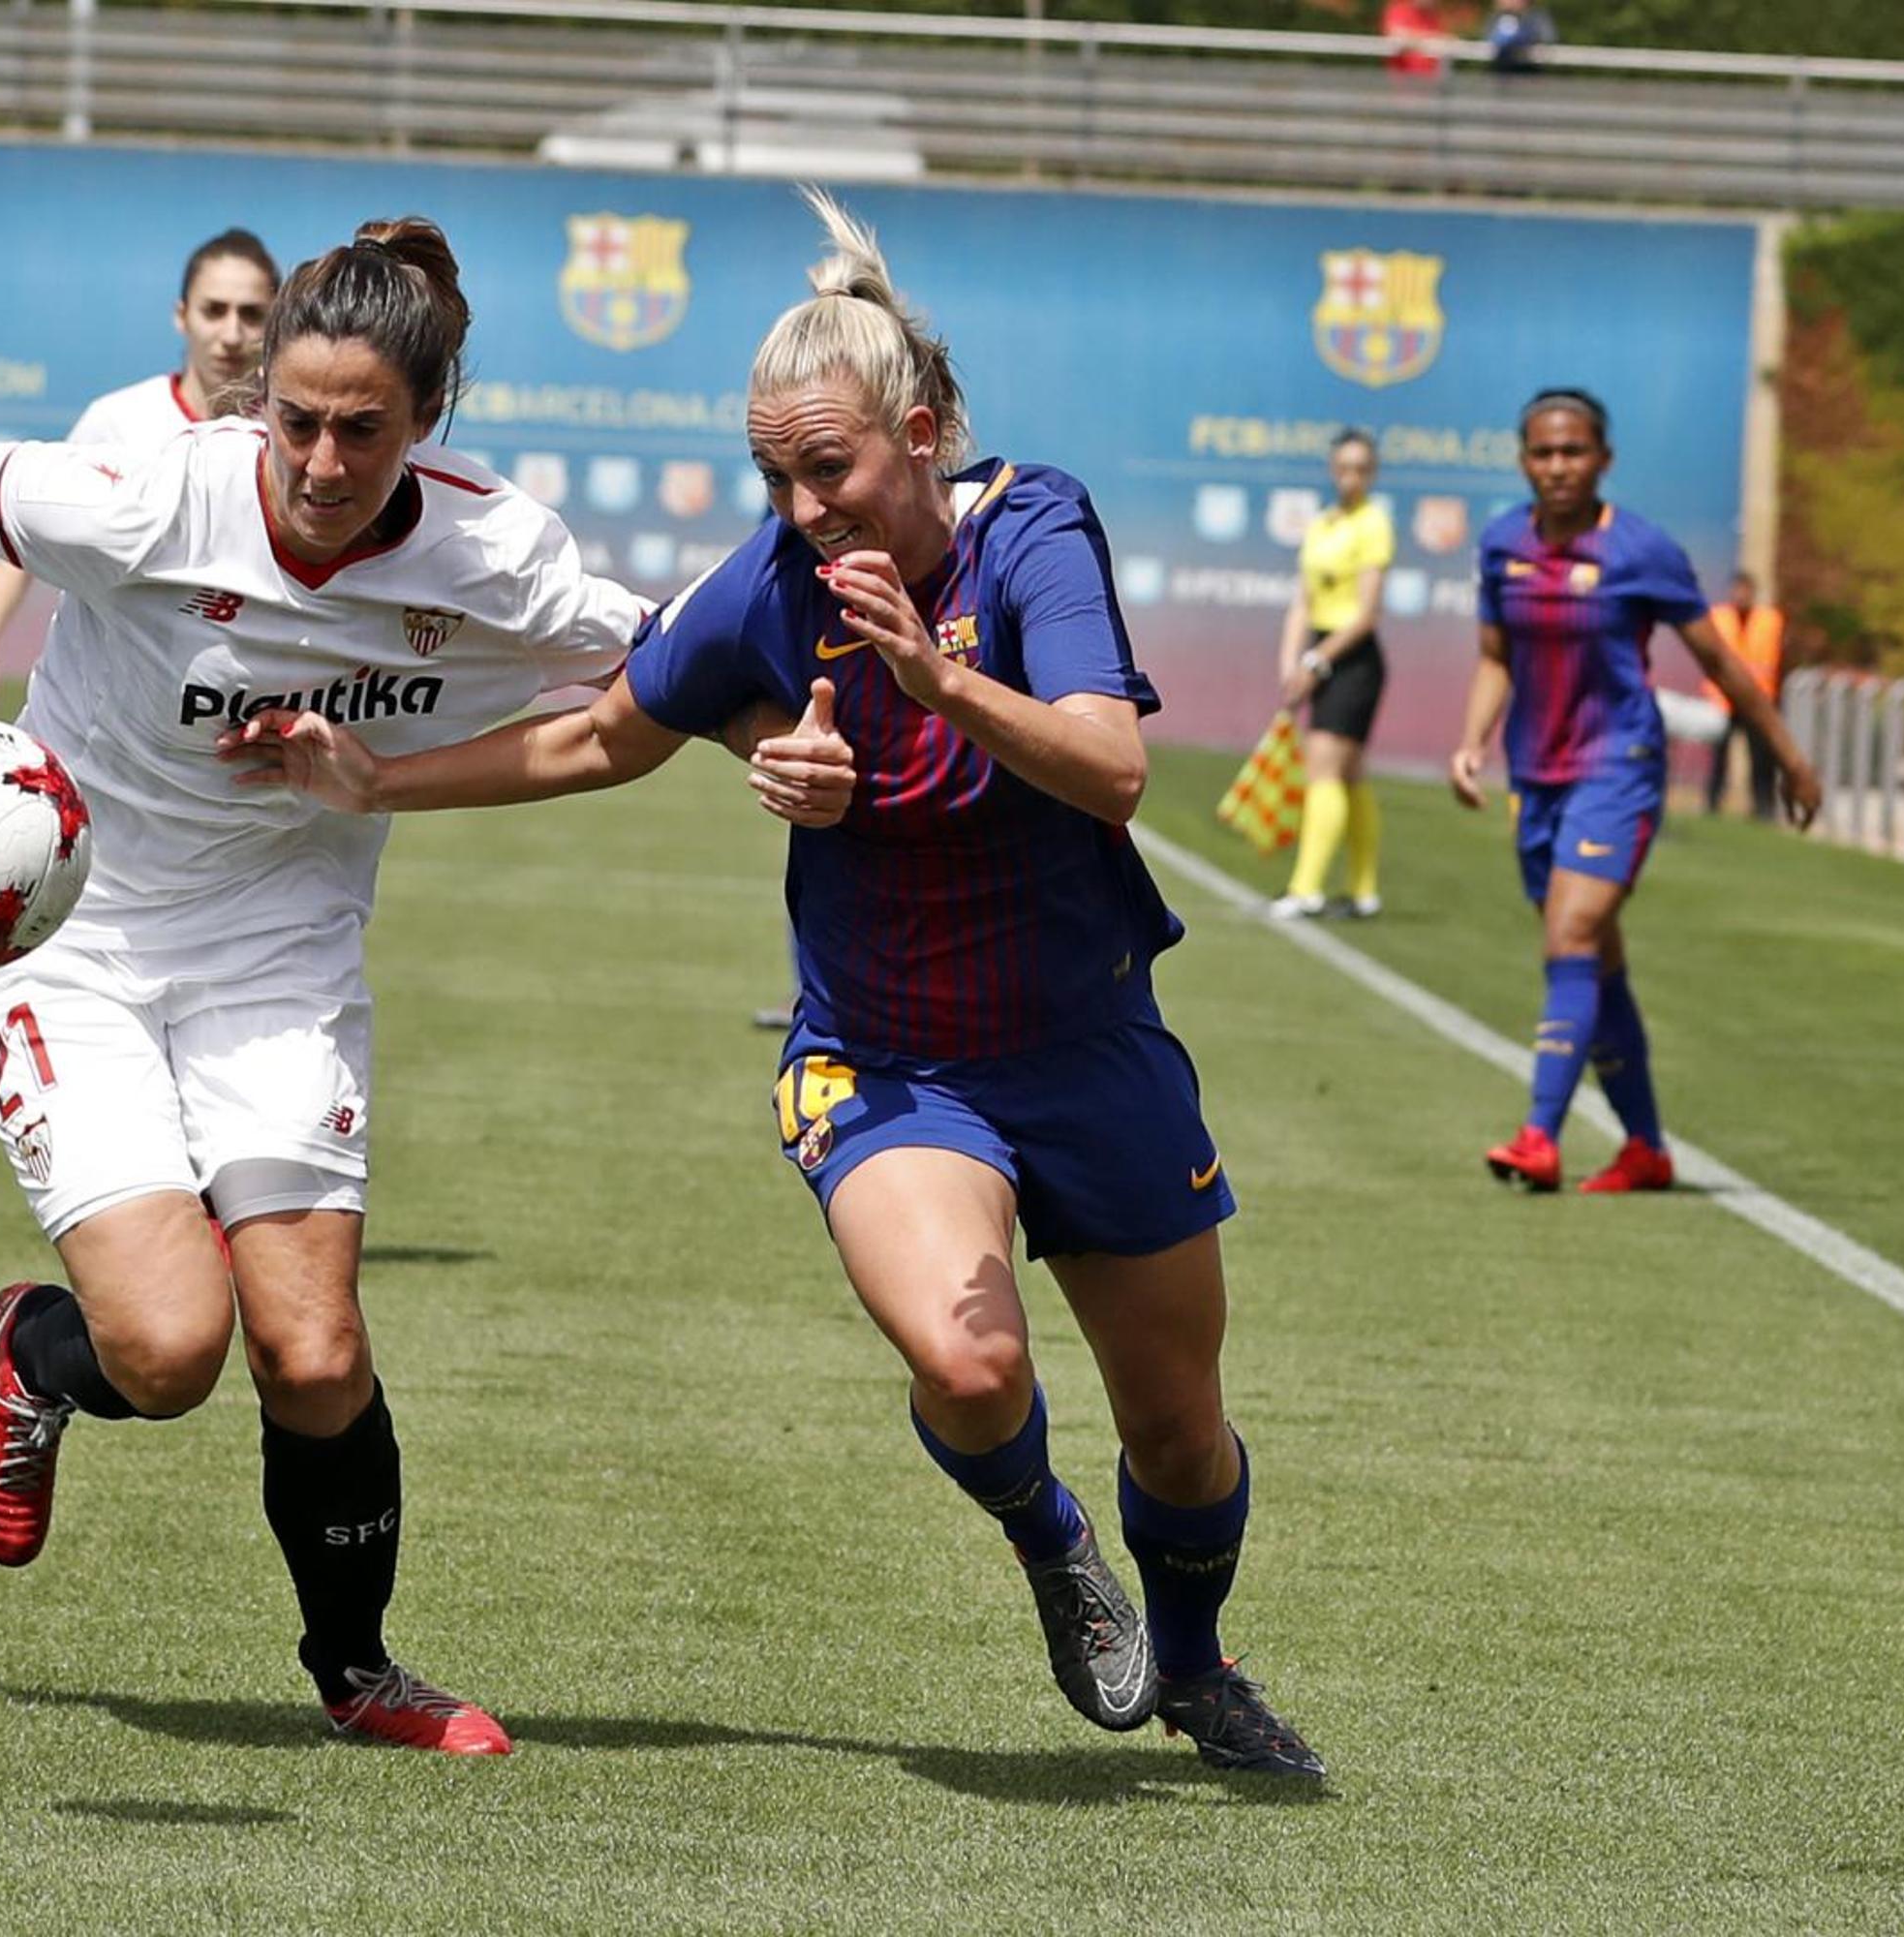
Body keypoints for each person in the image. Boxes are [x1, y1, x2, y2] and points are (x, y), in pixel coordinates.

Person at [0, 222, 810, 1757]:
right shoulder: (145, 496)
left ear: (429, 418)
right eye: (297, 420)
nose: (320, 460)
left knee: (313, 1349)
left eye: (362, 430)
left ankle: (360, 1672)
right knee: (170, 1352)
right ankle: (38, 1350)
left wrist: (765, 741)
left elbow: (665, 666)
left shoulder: (492, 549)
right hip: (76, 941)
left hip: (279, 952)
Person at [227, 189, 1327, 1780]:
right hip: (885, 1063)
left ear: (924, 433)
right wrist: (374, 782)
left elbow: (1113, 769)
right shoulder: (765, 588)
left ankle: (1201, 1665)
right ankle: (1047, 1539)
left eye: (834, 468)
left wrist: (937, 681)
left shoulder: (1036, 531)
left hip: (1091, 1047)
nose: (805, 506)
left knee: (1181, 1424)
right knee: (971, 1362)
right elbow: (605, 732)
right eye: (778, 475)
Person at [1449, 388, 1820, 1194]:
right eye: (1542, 453)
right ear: (1523, 461)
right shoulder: (1501, 541)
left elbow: (1723, 664)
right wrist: (1473, 742)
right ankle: (1645, 1147)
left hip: (1618, 766)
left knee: (1571, 937)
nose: (1557, 467)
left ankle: (1538, 1136)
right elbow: (1495, 658)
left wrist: (1789, 757)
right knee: (1597, 961)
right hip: (1535, 779)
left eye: (1573, 451)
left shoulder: (1642, 551)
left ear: (1603, 459)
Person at [0, 229, 278, 718]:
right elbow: (26, 527)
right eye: (214, 310)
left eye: (252, 314)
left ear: (278, 321)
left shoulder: (293, 436)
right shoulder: (119, 421)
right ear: (182, 316)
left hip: (242, 702)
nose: (232, 333)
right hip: (113, 708)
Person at [1267, 427, 1393, 920]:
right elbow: (1301, 603)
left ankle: (1307, 888)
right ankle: (1363, 892)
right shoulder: (1323, 524)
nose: (1351, 476)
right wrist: (1290, 661)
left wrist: (1318, 663)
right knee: (1351, 772)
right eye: (1344, 466)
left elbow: (1367, 614)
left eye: (1362, 468)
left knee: (1324, 767)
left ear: (1373, 472)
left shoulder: (1374, 524)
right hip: (1319, 651)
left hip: (1353, 658)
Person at [1702, 569, 1785, 820]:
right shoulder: (1719, 616)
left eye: (1746, 590)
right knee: (1719, 756)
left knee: (1760, 757)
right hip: (1724, 698)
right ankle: (1713, 802)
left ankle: (1762, 806)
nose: (1741, 595)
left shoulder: (1770, 620)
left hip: (1757, 699)